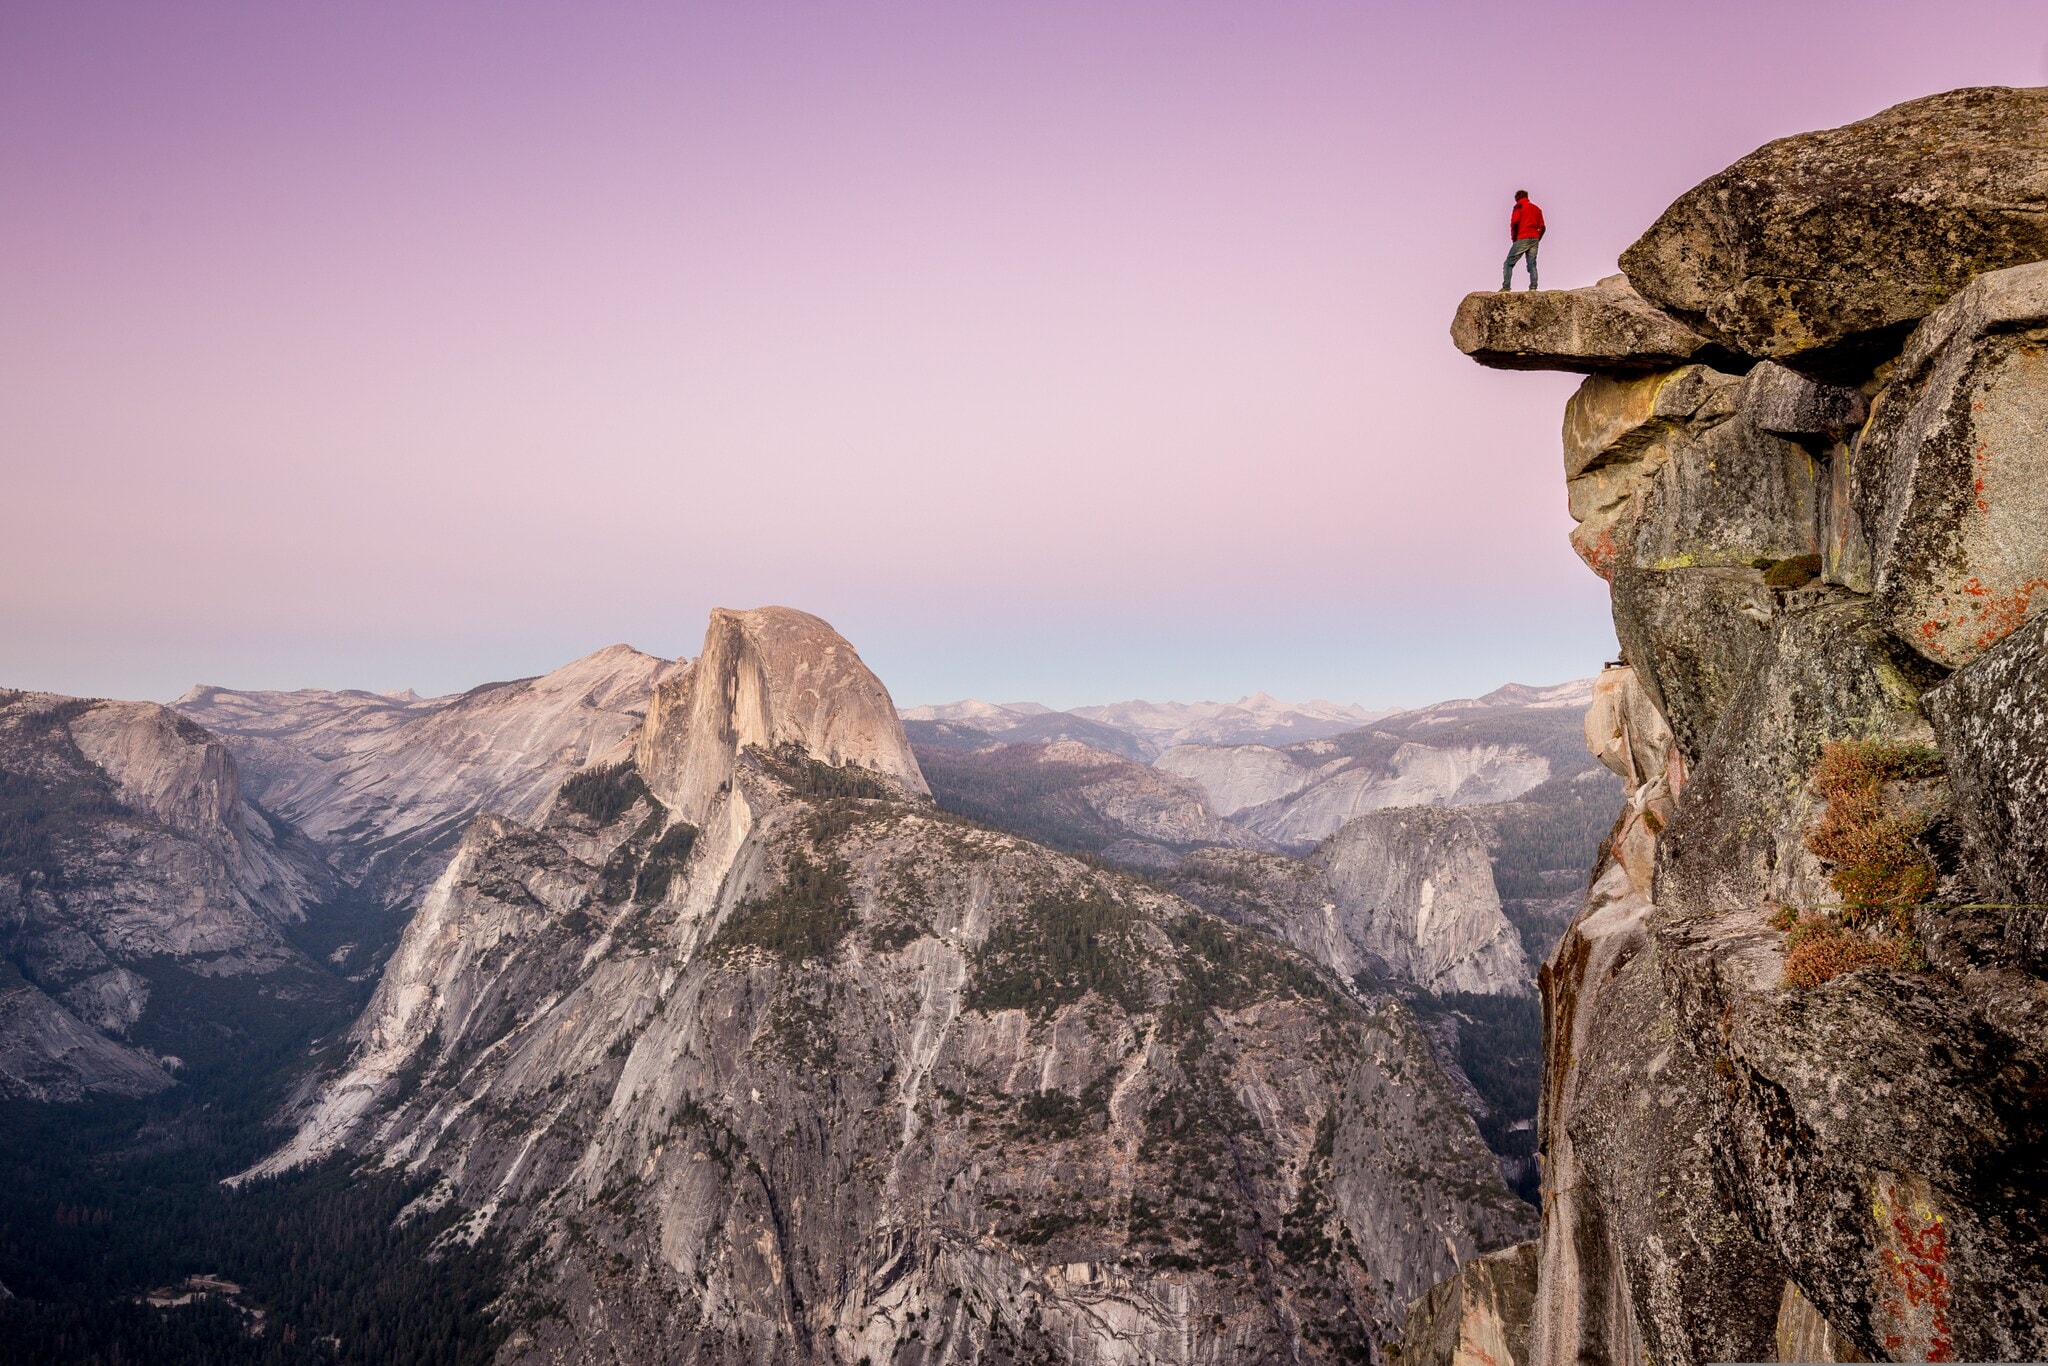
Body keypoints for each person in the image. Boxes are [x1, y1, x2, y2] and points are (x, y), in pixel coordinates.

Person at [1502, 190, 1545, 291]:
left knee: (1508, 263)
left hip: (1522, 237)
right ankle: (1533, 287)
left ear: (1517, 198)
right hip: (1534, 238)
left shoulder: (1519, 206)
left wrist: (1514, 238)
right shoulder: (1537, 208)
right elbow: (1543, 227)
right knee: (1532, 263)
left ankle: (1506, 287)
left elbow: (1515, 223)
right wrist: (1537, 238)